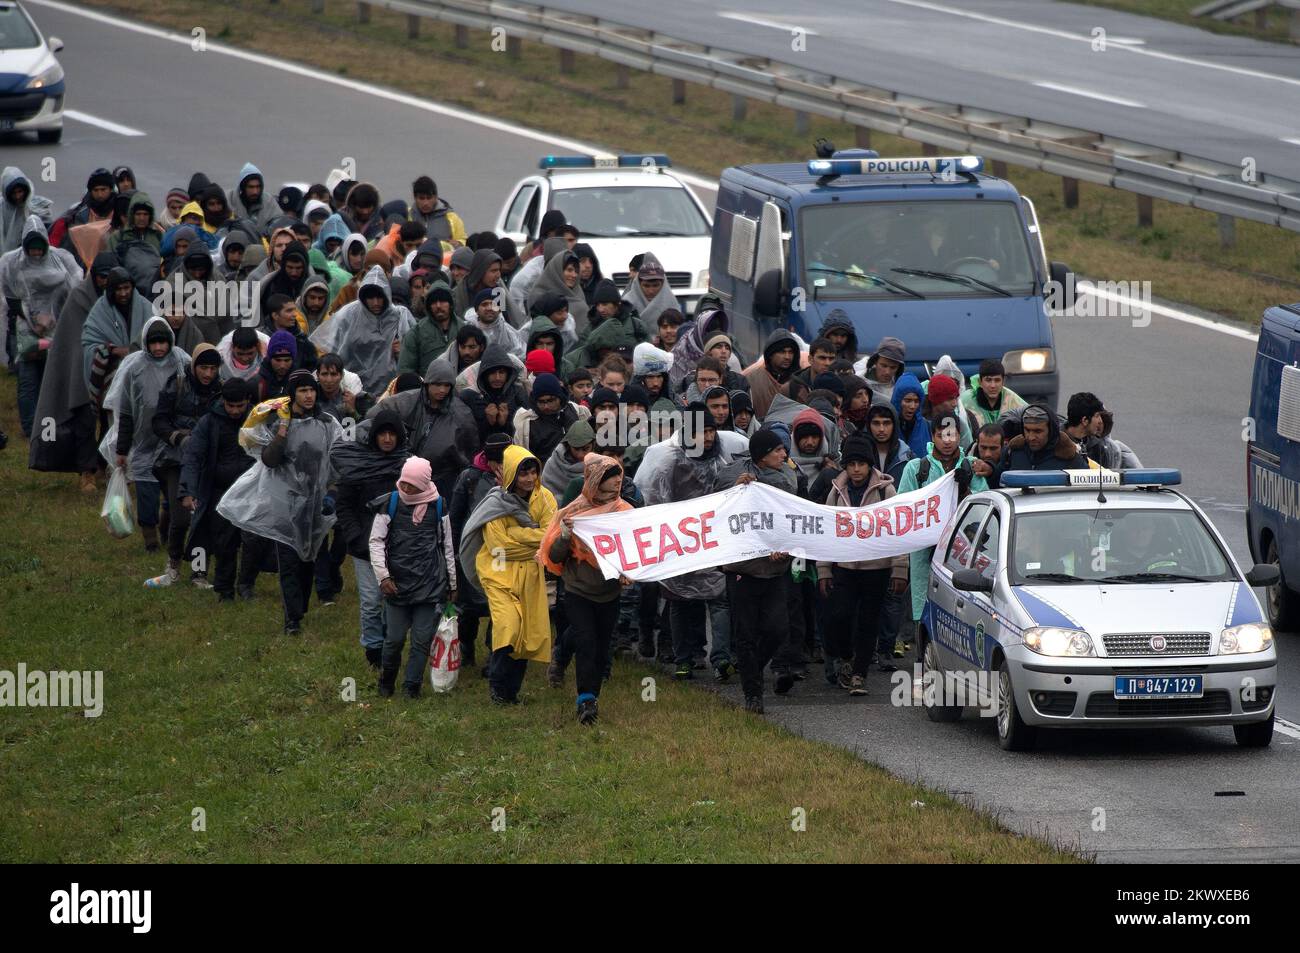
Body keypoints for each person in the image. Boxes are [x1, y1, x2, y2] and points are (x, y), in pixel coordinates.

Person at [220, 368, 343, 634]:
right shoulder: (277, 423)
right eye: (302, 390)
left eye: (311, 390)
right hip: (284, 503)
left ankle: (300, 607)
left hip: (314, 504)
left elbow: (337, 462)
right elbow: (269, 459)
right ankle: (292, 621)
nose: (308, 395)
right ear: (292, 395)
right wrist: (284, 428)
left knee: (307, 559)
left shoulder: (327, 423)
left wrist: (332, 495)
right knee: (288, 561)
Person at [460, 445, 557, 704]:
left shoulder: (544, 498)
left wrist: (517, 534)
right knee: (509, 626)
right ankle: (497, 685)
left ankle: (510, 693)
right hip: (498, 572)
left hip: (530, 574)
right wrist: (534, 538)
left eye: (533, 472)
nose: (529, 479)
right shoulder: (495, 502)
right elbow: (499, 546)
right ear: (512, 473)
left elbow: (551, 535)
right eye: (523, 473)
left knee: (527, 632)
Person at [541, 454, 634, 724]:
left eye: (618, 475)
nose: (618, 480)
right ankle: (586, 700)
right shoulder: (572, 513)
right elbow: (555, 556)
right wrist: (566, 536)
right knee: (587, 643)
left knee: (602, 646)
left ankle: (582, 681)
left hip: (609, 593)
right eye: (610, 476)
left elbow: (633, 550)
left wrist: (628, 572)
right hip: (578, 590)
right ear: (595, 480)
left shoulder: (625, 513)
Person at [715, 427, 801, 712]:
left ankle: (751, 668)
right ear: (762, 456)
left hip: (775, 569)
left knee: (777, 629)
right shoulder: (733, 474)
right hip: (743, 570)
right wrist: (735, 490)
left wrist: (784, 548)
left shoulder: (787, 477)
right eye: (777, 450)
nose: (783, 454)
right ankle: (753, 693)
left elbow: (791, 518)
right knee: (746, 633)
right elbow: (717, 507)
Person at [818, 433, 909, 695]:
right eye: (851, 464)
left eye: (861, 464)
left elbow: (897, 531)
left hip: (876, 569)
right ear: (845, 465)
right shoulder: (836, 492)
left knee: (869, 622)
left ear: (870, 464)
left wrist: (899, 568)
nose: (856, 470)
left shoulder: (885, 490)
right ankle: (846, 657)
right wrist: (824, 569)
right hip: (844, 568)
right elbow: (826, 532)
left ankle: (859, 673)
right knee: (840, 616)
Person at [369, 456, 457, 699]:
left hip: (429, 585)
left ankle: (412, 687)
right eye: (404, 483)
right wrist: (383, 577)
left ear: (424, 484)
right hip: (397, 585)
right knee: (394, 639)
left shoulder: (439, 505)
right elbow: (376, 542)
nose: (406, 488)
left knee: (421, 640)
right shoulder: (391, 503)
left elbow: (446, 545)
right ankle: (386, 683)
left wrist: (452, 583)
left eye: (412, 485)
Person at [28, 252, 116, 486]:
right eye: (101, 276)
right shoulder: (79, 297)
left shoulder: (120, 297)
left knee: (111, 421)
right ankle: (86, 471)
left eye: (110, 276)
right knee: (84, 421)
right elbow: (73, 339)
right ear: (94, 276)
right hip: (83, 368)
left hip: (113, 368)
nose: (105, 281)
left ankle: (103, 465)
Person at [333, 407, 410, 669]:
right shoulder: (357, 466)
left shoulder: (409, 467)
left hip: (398, 547)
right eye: (382, 434)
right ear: (373, 436)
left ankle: (391, 646)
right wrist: (355, 537)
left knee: (394, 599)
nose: (387, 439)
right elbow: (343, 505)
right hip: (365, 548)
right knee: (370, 601)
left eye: (392, 434)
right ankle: (373, 649)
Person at [897, 414, 986, 633]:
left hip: (963, 555)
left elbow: (985, 508)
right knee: (926, 618)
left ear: (959, 436)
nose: (947, 441)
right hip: (923, 555)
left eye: (952, 434)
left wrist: (966, 490)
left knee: (961, 616)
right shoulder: (915, 468)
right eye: (941, 435)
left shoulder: (973, 466)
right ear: (932, 436)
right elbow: (901, 510)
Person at [145, 343, 222, 587]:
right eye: (203, 368)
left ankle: (199, 572)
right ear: (194, 366)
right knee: (181, 518)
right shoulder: (176, 385)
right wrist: (178, 437)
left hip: (206, 463)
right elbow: (158, 422)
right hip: (174, 460)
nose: (208, 374)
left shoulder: (221, 391)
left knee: (203, 520)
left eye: (212, 368)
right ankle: (174, 564)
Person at [113, 318, 191, 553]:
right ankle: (150, 541)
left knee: (172, 495)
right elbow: (126, 411)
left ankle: (168, 533)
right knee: (146, 495)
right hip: (144, 443)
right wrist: (122, 449)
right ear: (146, 343)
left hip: (173, 443)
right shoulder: (134, 368)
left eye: (162, 343)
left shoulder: (182, 363)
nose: (158, 348)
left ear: (170, 342)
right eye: (153, 343)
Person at [1, 216, 81, 436]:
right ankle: (30, 429)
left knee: (52, 377)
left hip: (56, 327)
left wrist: (56, 318)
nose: (36, 254)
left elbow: (74, 286)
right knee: (28, 379)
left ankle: (52, 424)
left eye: (39, 249)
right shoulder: (11, 262)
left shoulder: (61, 259)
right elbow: (10, 296)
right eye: (32, 249)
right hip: (28, 329)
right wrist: (32, 322)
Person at [180, 378, 256, 601]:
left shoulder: (258, 420)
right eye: (230, 405)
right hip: (218, 492)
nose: (234, 411)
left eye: (239, 406)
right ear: (223, 401)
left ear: (247, 402)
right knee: (223, 543)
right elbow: (193, 456)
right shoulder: (208, 422)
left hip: (250, 491)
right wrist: (187, 491)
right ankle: (224, 589)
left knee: (253, 542)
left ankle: (246, 584)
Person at [1001, 403, 1088, 472]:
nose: (1031, 437)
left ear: (1051, 431)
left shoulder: (1069, 456)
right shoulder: (1013, 451)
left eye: (1038, 431)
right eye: (1027, 430)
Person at [396, 280, 459, 375]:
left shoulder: (463, 329)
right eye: (433, 302)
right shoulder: (416, 332)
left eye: (443, 301)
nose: (438, 306)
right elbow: (405, 370)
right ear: (428, 306)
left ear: (451, 303)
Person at [743, 328, 799, 418]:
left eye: (791, 352)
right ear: (770, 354)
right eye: (782, 352)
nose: (787, 357)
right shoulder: (751, 379)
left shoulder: (799, 381)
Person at [961, 359, 1025, 431]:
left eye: (997, 380)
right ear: (980, 382)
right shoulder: (965, 400)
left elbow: (1031, 413)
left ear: (1003, 382)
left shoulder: (1011, 398)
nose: (993, 385)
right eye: (988, 380)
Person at [541, 418, 595, 499]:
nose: (580, 455)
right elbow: (545, 496)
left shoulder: (601, 464)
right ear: (568, 445)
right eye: (576, 449)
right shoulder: (553, 463)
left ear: (593, 445)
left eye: (585, 449)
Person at [857, 336, 905, 403]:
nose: (887, 372)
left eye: (893, 368)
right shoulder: (858, 373)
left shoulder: (901, 389)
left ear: (899, 368)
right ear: (875, 362)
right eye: (883, 366)